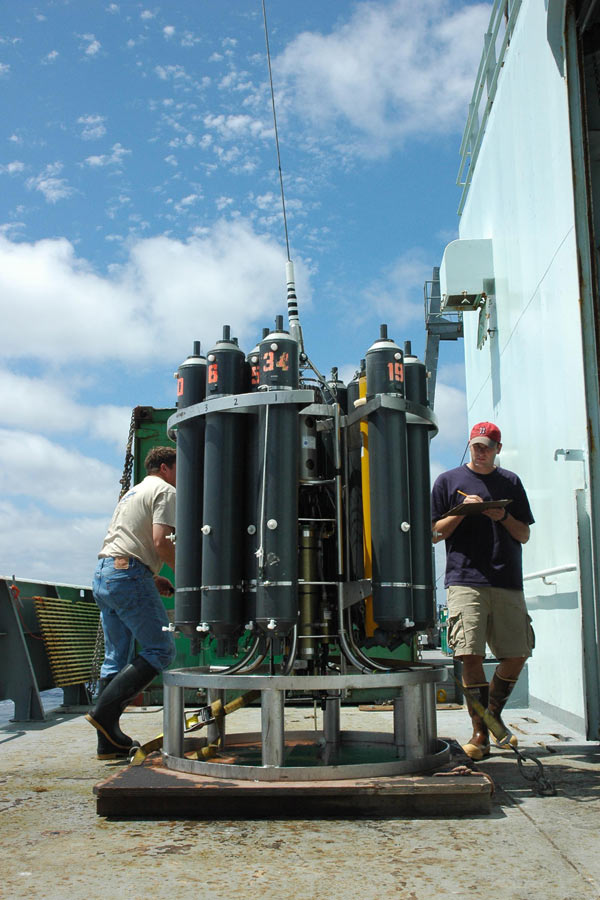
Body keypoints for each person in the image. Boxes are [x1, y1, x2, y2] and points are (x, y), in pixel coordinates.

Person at [431, 422, 535, 761]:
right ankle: (480, 735)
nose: (481, 450)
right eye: (476, 445)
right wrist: (461, 512)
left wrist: (502, 515)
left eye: (488, 446)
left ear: (498, 449)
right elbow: (433, 533)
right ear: (470, 445)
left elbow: (523, 535)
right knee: (469, 656)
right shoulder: (447, 482)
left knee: (517, 654)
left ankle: (492, 718)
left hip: (507, 579)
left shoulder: (511, 483)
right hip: (464, 579)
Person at [86, 446, 177, 759]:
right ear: (165, 468)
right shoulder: (165, 490)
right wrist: (186, 573)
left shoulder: (132, 493)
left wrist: (153, 579)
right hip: (128, 575)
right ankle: (103, 716)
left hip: (105, 574)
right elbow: (160, 541)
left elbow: (123, 543)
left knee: (116, 657)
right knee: (161, 650)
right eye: (178, 469)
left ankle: (107, 742)